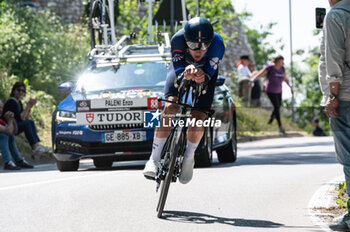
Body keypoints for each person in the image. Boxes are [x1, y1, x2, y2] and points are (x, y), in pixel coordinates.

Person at [143, 17, 225, 184]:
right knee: (171, 106)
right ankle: (154, 158)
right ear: (186, 40)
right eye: (194, 45)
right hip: (181, 67)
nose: (198, 50)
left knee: (198, 117)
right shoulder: (178, 39)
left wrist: (203, 76)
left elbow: (209, 72)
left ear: (210, 43)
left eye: (203, 46)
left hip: (206, 70)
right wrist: (185, 73)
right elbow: (178, 68)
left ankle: (189, 157)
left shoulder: (217, 43)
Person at [318, 0, 350, 230]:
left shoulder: (337, 15)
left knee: (348, 158)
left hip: (346, 96)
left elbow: (334, 60)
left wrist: (332, 95)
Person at [1, 82, 50, 155]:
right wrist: (28, 106)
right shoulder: (11, 101)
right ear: (14, 91)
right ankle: (34, 147)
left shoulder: (18, 102)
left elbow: (25, 118)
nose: (20, 92)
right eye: (18, 90)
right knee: (27, 123)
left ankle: (37, 145)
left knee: (30, 122)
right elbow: (20, 118)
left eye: (23, 91)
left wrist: (29, 107)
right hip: (8, 127)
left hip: (14, 126)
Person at [249, 55, 293, 134]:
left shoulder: (282, 69)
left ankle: (270, 121)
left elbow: (285, 79)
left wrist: (290, 87)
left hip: (279, 91)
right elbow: (260, 74)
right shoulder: (270, 68)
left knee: (278, 107)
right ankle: (280, 127)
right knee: (277, 106)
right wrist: (252, 80)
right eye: (279, 62)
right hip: (270, 90)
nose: (280, 64)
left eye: (282, 63)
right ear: (275, 61)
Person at [0, 100, 33, 170]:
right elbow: (8, 131)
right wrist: (9, 120)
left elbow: (14, 131)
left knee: (10, 136)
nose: (0, 110)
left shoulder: (1, 120)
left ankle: (19, 160)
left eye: (1, 108)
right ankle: (7, 162)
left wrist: (12, 119)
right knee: (4, 136)